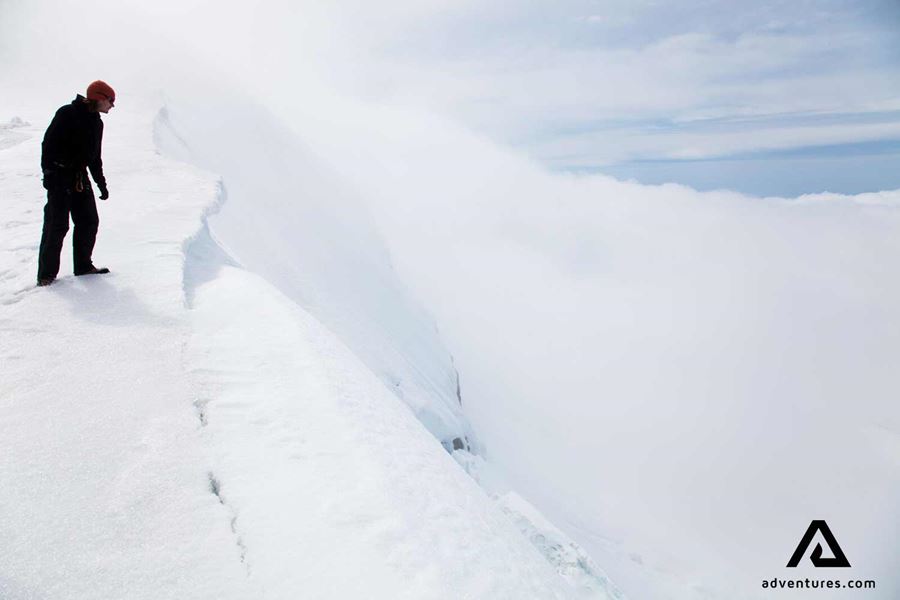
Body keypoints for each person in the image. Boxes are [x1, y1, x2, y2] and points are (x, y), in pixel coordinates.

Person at [37, 80, 115, 287]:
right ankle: (46, 275)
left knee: (89, 221)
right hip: (59, 176)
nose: (112, 105)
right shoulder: (67, 114)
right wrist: (49, 173)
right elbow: (48, 144)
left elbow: (94, 158)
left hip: (79, 178)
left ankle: (82, 265)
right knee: (57, 225)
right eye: (110, 100)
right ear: (99, 97)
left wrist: (101, 184)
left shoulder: (97, 123)